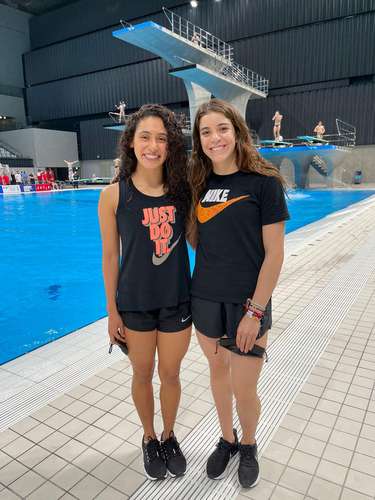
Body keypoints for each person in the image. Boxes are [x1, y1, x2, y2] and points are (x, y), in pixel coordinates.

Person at [188, 99, 289, 488]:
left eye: (222, 129)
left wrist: (254, 311)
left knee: (245, 387)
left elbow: (275, 254)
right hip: (206, 300)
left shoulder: (264, 183)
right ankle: (226, 439)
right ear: (199, 141)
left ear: (236, 131)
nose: (215, 138)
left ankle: (248, 444)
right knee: (217, 373)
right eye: (206, 132)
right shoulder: (198, 185)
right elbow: (200, 242)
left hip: (248, 304)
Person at [98, 104, 192, 481]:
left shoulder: (183, 191)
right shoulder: (113, 196)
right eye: (145, 137)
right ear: (131, 142)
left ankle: (169, 435)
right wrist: (112, 311)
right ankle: (149, 437)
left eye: (162, 139)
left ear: (170, 146)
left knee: (170, 374)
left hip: (176, 301)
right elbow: (109, 256)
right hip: (134, 305)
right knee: (142, 373)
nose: (153, 146)